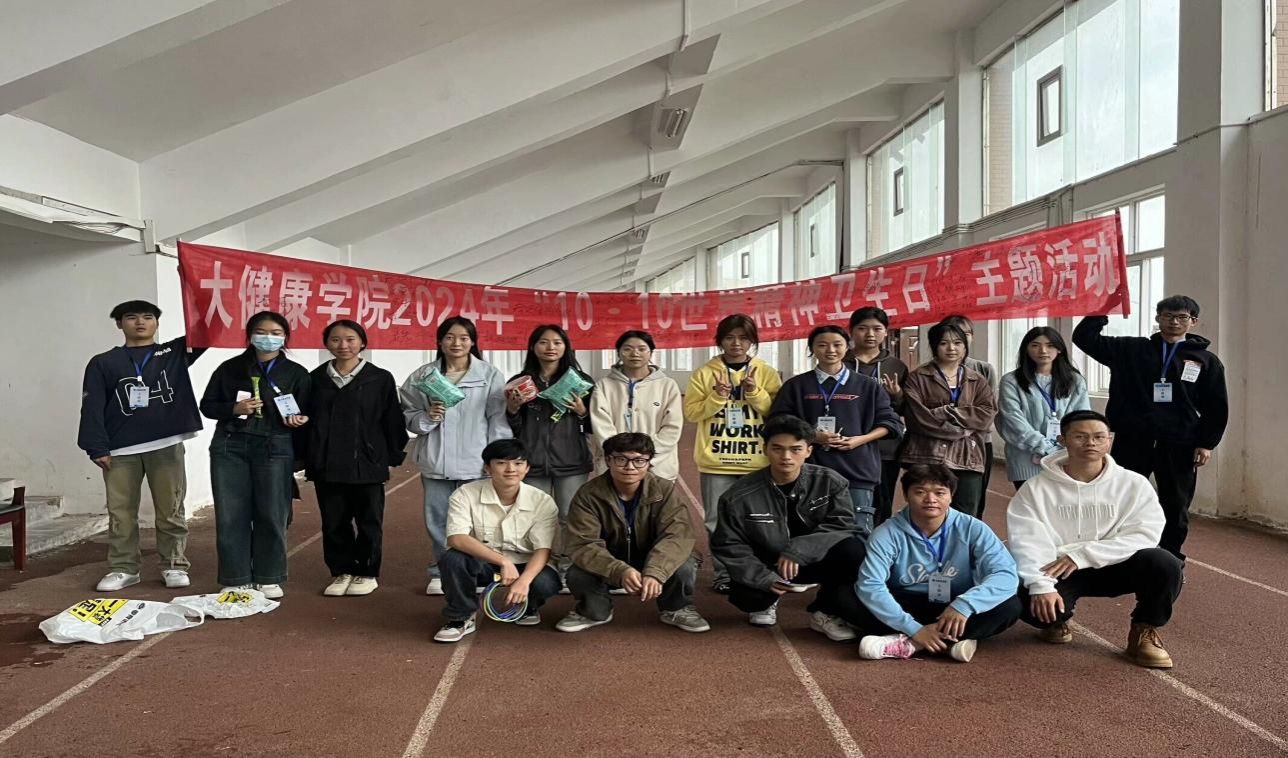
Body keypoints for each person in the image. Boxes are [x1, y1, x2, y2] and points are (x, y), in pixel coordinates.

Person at [1006, 410, 1184, 668]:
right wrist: (1041, 586)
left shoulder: (1134, 484)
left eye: (1099, 437)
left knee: (1165, 563)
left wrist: (1082, 555)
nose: (1090, 443)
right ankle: (1056, 620)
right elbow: (1028, 540)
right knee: (1028, 600)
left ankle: (1144, 630)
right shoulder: (1035, 489)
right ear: (1063, 440)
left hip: (1118, 564)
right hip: (1060, 568)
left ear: (1109, 441)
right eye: (1080, 436)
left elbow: (1145, 534)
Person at [1072, 296, 1229, 560]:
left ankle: (1171, 560)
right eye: (1168, 316)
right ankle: (1118, 555)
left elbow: (1217, 405)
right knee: (1121, 500)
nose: (1174, 322)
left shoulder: (1205, 361)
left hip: (1180, 444)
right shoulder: (1130, 350)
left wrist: (1207, 443)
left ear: (1193, 321)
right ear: (1158, 319)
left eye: (1182, 317)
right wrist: (1104, 307)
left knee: (1175, 505)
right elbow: (1084, 338)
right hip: (1133, 440)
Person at [77, 300, 207, 592]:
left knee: (171, 509)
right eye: (131, 317)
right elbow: (92, 405)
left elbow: (208, 330)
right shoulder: (103, 362)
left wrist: (199, 290)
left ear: (157, 323)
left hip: (166, 445)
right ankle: (124, 568)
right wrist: (96, 447)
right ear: (119, 324)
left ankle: (174, 564)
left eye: (148, 317)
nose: (140, 322)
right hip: (120, 450)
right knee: (121, 513)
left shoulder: (173, 353)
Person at [711, 415, 867, 642]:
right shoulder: (737, 496)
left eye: (795, 449)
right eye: (777, 449)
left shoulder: (830, 482)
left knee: (854, 551)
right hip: (768, 563)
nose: (786, 457)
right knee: (748, 597)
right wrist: (763, 578)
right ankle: (767, 600)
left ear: (808, 451)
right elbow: (728, 544)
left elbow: (842, 525)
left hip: (811, 559)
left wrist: (798, 551)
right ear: (764, 449)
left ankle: (824, 610)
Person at [848, 464, 1021, 663]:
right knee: (844, 597)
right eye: (920, 492)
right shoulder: (886, 533)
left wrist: (965, 604)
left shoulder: (973, 528)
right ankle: (950, 641)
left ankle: (911, 644)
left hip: (954, 605)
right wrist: (914, 628)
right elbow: (871, 584)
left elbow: (1005, 573)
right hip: (906, 602)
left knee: (1010, 606)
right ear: (906, 495)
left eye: (939, 493)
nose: (931, 499)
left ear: (951, 496)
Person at [200, 311, 310, 599]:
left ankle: (268, 575)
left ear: (285, 337)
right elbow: (208, 405)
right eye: (261, 331)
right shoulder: (230, 368)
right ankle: (235, 576)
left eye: (276, 333)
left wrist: (300, 420)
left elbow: (308, 410)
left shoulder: (296, 373)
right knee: (231, 513)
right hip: (230, 444)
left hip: (275, 445)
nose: (268, 337)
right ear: (249, 335)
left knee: (272, 512)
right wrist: (233, 409)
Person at [400, 317, 510, 595]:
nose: (456, 343)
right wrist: (428, 417)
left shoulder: (489, 375)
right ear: (439, 342)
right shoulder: (422, 376)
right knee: (438, 520)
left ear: (473, 342)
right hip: (436, 460)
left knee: (479, 521)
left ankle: (479, 570)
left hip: (476, 462)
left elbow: (497, 419)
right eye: (450, 337)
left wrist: (496, 458)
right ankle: (442, 571)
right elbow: (408, 415)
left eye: (463, 338)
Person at [556, 433, 709, 634]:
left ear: (649, 462)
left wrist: (656, 571)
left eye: (639, 460)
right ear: (608, 460)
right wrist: (619, 570)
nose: (630, 467)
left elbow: (677, 536)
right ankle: (594, 611)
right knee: (577, 572)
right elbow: (583, 543)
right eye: (621, 459)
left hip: (652, 555)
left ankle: (676, 608)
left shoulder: (665, 491)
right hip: (609, 558)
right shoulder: (588, 494)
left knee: (684, 564)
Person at [302, 320, 408, 597]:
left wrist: (391, 454)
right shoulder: (315, 379)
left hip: (367, 462)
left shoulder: (379, 378)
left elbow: (392, 419)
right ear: (326, 344)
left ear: (362, 342)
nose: (343, 345)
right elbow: (306, 421)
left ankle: (367, 572)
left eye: (350, 339)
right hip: (327, 463)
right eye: (335, 339)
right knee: (333, 521)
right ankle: (342, 571)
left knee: (368, 520)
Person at [684, 313, 783, 594]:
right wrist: (717, 396)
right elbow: (692, 413)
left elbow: (776, 412)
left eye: (743, 338)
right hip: (716, 461)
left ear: (752, 341)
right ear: (720, 341)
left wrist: (755, 392)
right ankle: (724, 573)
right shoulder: (704, 373)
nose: (736, 343)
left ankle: (755, 571)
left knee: (758, 519)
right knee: (716, 521)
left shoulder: (766, 372)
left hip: (756, 460)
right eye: (729, 337)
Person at [770, 325, 902, 533]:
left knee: (857, 534)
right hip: (809, 471)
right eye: (822, 345)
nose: (830, 350)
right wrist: (813, 436)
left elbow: (891, 423)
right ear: (812, 349)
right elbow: (778, 422)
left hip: (857, 471)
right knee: (809, 533)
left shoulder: (867, 385)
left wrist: (859, 440)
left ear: (847, 347)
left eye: (837, 344)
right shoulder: (796, 385)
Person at [433, 439, 562, 643]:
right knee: (452, 559)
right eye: (501, 463)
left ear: (527, 468)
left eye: (518, 463)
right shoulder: (466, 494)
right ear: (487, 468)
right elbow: (456, 538)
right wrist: (503, 561)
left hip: (524, 564)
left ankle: (528, 606)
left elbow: (543, 549)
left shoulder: (542, 501)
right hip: (483, 563)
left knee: (546, 582)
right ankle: (460, 617)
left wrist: (524, 581)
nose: (511, 469)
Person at [505, 324, 594, 575]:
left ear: (566, 347)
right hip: (532, 461)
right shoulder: (520, 383)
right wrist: (512, 409)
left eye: (557, 342)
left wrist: (582, 412)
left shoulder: (582, 381)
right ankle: (541, 565)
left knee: (569, 515)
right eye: (543, 342)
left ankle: (569, 564)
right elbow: (512, 427)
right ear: (533, 347)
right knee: (536, 516)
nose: (550, 348)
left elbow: (594, 425)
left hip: (572, 460)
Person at [900, 321, 997, 517]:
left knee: (966, 514)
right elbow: (918, 418)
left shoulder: (977, 380)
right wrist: (963, 427)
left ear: (965, 346)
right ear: (934, 346)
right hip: (926, 454)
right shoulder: (917, 377)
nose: (951, 348)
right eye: (944, 343)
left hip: (967, 457)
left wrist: (945, 412)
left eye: (958, 343)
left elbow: (987, 415)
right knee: (927, 512)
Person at [996, 326, 1090, 489]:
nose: (1043, 350)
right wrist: (1048, 449)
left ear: (1059, 349)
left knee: (1063, 503)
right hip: (1026, 460)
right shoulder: (1011, 381)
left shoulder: (1075, 381)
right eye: (1035, 345)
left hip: (1065, 458)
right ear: (1026, 349)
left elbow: (1081, 419)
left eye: (1050, 345)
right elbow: (1013, 421)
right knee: (1031, 503)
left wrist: (1062, 450)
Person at [589, 330, 684, 481]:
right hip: (616, 467)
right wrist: (621, 457)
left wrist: (645, 457)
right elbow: (601, 426)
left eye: (641, 349)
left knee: (655, 496)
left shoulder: (667, 386)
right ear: (618, 353)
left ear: (650, 352)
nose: (635, 353)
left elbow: (672, 427)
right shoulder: (604, 386)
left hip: (657, 466)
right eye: (627, 349)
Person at [846, 307, 910, 526]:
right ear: (852, 331)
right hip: (847, 444)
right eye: (863, 328)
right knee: (846, 502)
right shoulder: (840, 363)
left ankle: (879, 544)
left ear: (885, 331)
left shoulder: (896, 366)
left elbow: (904, 410)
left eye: (877, 329)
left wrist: (898, 395)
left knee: (882, 502)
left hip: (885, 448)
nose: (870, 334)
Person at [940, 315, 999, 517]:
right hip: (939, 444)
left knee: (973, 505)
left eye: (965, 334)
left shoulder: (983, 369)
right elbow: (926, 414)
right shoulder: (926, 372)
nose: (959, 340)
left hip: (978, 444)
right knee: (938, 501)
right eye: (952, 334)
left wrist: (949, 415)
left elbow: (989, 411)